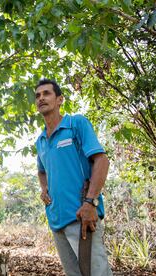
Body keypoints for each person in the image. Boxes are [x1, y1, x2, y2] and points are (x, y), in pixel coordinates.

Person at [34, 79, 113, 276]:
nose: (41, 98)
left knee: (96, 273)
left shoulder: (76, 124)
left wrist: (90, 203)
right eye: (37, 95)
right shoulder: (41, 140)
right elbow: (41, 170)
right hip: (56, 221)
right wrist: (44, 190)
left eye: (46, 93)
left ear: (60, 99)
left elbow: (101, 160)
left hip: (82, 217)